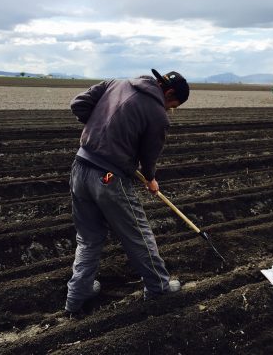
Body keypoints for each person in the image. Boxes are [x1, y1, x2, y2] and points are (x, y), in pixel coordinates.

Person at [65, 69, 190, 314]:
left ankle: (77, 295)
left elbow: (78, 104)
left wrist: (100, 129)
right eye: (172, 105)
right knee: (138, 235)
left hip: (80, 167)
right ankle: (158, 287)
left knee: (88, 238)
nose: (169, 110)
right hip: (110, 177)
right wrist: (151, 178)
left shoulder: (116, 83)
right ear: (169, 92)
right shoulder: (157, 114)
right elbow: (149, 155)